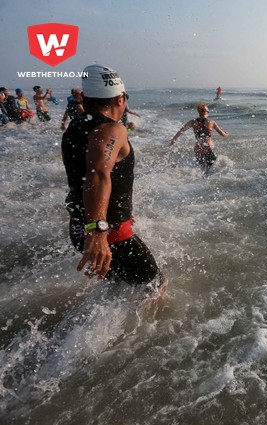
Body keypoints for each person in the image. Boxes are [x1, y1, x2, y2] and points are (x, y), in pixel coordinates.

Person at [61, 64, 167, 297]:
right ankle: (155, 333)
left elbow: (85, 174)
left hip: (80, 226)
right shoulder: (111, 130)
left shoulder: (75, 126)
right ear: (120, 99)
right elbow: (97, 175)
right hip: (106, 231)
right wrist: (98, 231)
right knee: (156, 288)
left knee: (120, 287)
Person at [169, 103, 230, 173]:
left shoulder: (192, 122)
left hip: (198, 149)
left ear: (199, 112)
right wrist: (227, 133)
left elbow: (181, 131)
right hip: (207, 148)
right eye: (208, 111)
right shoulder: (211, 122)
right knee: (211, 169)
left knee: (201, 169)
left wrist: (174, 139)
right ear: (206, 112)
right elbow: (222, 134)